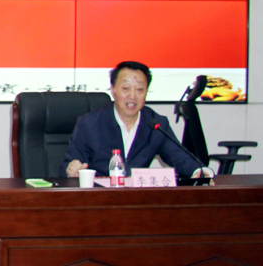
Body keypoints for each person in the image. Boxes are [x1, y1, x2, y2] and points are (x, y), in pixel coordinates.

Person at [61, 60, 212, 179]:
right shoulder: (89, 123)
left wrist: (198, 171)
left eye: (139, 89)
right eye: (125, 89)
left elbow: (179, 156)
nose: (132, 96)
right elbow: (68, 166)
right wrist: (71, 169)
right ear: (113, 90)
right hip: (99, 197)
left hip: (137, 197)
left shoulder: (155, 123)